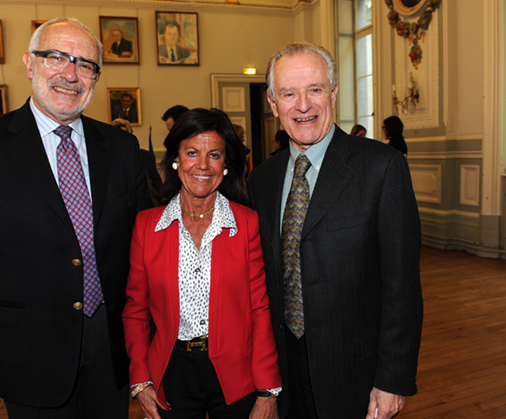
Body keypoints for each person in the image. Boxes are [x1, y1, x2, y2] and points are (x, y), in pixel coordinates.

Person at [0, 17, 152, 418]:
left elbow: (143, 248)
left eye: (85, 64)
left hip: (111, 345)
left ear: (95, 77)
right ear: (29, 63)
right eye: (56, 57)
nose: (70, 75)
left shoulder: (122, 147)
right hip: (26, 349)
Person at [247, 42, 423, 419]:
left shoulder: (382, 167)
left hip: (355, 371)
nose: (304, 105)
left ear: (334, 93)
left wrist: (393, 379)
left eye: (315, 89)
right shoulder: (262, 179)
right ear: (273, 103)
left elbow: (402, 286)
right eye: (289, 93)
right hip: (283, 370)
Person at [123, 108, 282, 419]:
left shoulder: (246, 223)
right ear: (176, 159)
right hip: (170, 374)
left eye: (215, 155)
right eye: (192, 152)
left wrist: (268, 389)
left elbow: (260, 309)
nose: (203, 165)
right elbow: (135, 310)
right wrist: (140, 381)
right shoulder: (147, 226)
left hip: (237, 375)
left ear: (226, 165)